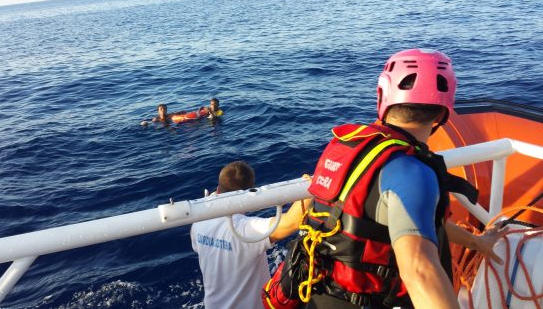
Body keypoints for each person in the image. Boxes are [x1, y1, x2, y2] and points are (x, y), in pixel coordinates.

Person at [264, 49, 505, 309]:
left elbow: (414, 221)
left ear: (382, 95)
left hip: (315, 295)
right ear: (442, 113)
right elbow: (419, 272)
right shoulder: (412, 171)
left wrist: (477, 242)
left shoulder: (349, 147)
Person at [191, 161, 311, 309]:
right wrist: (313, 186)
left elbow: (199, 247)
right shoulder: (244, 230)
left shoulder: (198, 222)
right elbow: (292, 222)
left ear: (218, 189)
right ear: (250, 194)